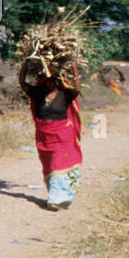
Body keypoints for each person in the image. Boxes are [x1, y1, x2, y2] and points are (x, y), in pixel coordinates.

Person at [24, 68, 83, 210]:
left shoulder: (65, 95)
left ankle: (54, 200)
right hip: (45, 136)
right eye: (47, 81)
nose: (50, 84)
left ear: (58, 82)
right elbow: (23, 84)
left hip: (62, 135)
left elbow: (77, 88)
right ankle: (55, 194)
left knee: (58, 163)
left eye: (53, 81)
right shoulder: (38, 95)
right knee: (50, 165)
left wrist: (74, 70)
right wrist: (24, 68)